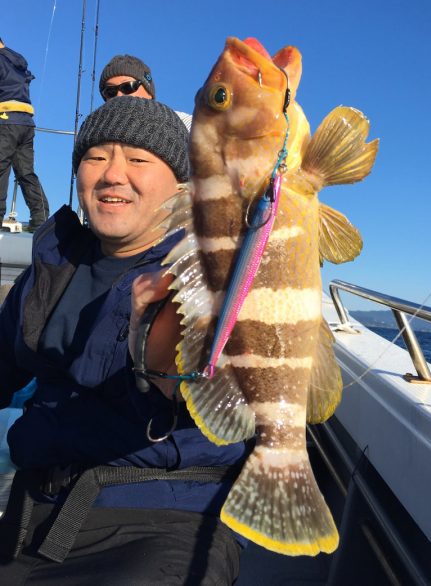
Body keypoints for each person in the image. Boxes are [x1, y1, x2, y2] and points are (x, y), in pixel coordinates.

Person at [0, 96, 246, 584]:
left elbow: (207, 393)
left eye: (138, 159)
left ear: (180, 185)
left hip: (161, 521)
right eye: (95, 157)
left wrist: (157, 333)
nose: (113, 174)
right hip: (36, 511)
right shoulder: (53, 265)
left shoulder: (206, 271)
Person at [0, 37, 49, 231]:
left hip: (6, 120)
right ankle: (41, 219)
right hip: (26, 123)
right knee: (26, 172)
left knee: (1, 168)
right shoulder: (17, 60)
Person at [99, 53, 192, 130]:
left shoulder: (183, 124)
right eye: (110, 91)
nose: (119, 95)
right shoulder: (94, 132)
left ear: (149, 92)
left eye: (127, 87)